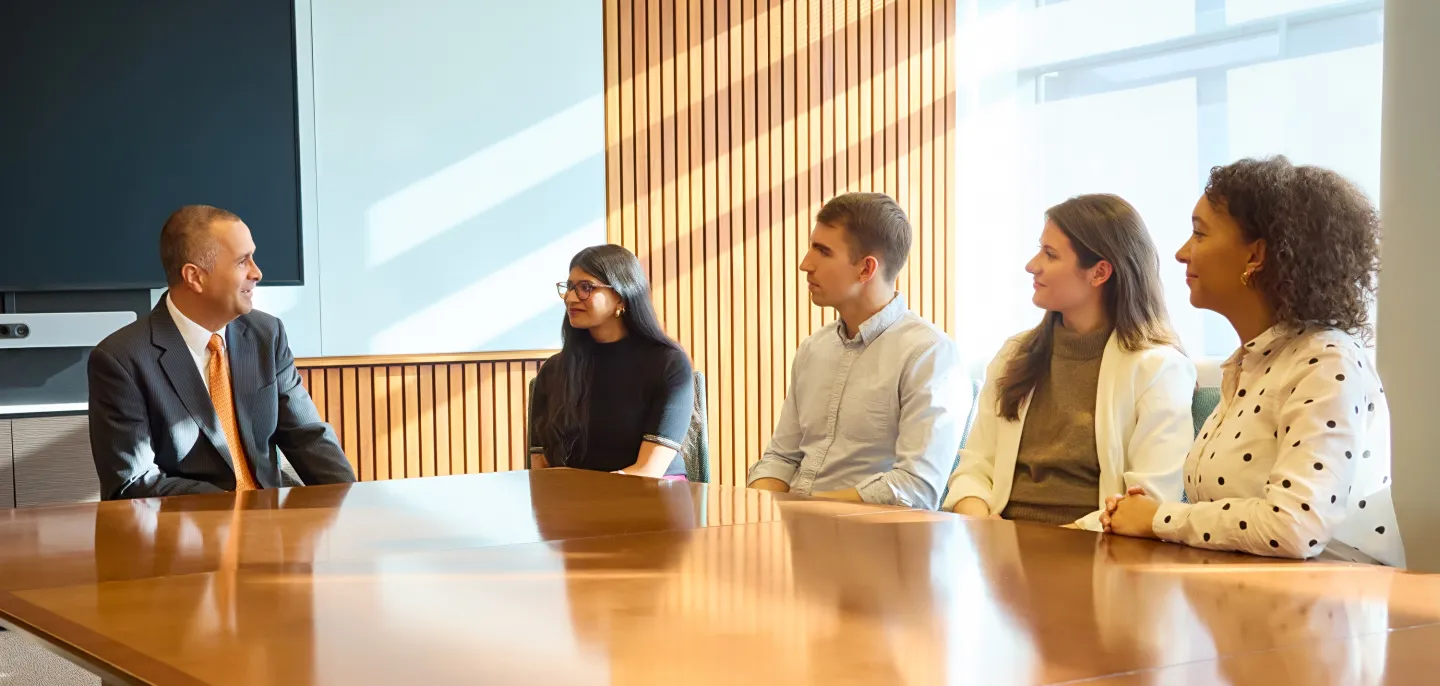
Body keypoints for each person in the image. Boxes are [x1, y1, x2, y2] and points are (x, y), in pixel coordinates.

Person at [1103, 156, 1405, 567]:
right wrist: (1147, 517)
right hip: (1250, 602)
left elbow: (1295, 527)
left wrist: (1160, 518)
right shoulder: (1251, 363)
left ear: (1256, 255)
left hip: (1331, 612)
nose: (1180, 252)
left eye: (1199, 233)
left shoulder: (1327, 361)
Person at [943, 194, 1196, 530]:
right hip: (1001, 549)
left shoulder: (1159, 368)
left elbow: (1147, 498)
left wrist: (1054, 543)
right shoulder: (1014, 354)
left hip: (1096, 553)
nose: (1032, 265)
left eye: (1050, 254)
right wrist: (981, 525)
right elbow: (974, 467)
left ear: (1099, 272)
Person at [88, 205, 355, 500]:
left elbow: (307, 437)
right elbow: (132, 484)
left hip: (272, 525)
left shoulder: (267, 334)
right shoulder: (121, 360)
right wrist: (238, 509)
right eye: (243, 261)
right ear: (194, 277)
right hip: (190, 534)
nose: (257, 272)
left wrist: (356, 502)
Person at [746, 192, 965, 510]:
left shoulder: (928, 354)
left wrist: (802, 508)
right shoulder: (813, 349)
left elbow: (915, 487)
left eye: (822, 252)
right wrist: (756, 509)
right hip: (795, 534)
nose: (805, 264)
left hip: (874, 545)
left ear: (866, 269)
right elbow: (780, 459)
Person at [528, 244, 694, 477]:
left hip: (652, 497)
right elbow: (541, 469)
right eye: (570, 287)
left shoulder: (668, 365)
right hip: (572, 502)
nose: (570, 297)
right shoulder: (554, 370)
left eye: (586, 287)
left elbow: (648, 470)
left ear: (621, 297)